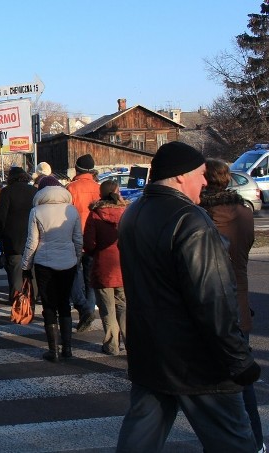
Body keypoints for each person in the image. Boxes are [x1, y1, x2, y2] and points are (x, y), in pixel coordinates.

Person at [116, 142, 260, 452]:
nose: (206, 182)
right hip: (199, 364)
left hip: (151, 356)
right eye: (201, 174)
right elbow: (214, 301)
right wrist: (238, 360)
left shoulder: (133, 212)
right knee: (235, 443)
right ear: (181, 177)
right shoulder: (191, 220)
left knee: (138, 441)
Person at [199, 157, 264, 453]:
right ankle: (256, 440)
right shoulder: (243, 211)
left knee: (208, 379)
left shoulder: (200, 214)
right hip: (239, 298)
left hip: (209, 302)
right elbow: (244, 252)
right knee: (242, 374)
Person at [21, 176, 82, 361]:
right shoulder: (72, 210)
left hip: (44, 263)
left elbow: (32, 242)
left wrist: (26, 266)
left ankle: (53, 350)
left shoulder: (36, 211)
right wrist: (76, 259)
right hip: (68, 262)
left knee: (48, 305)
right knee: (65, 303)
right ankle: (68, 349)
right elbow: (78, 239)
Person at [83, 179, 127, 356]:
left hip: (102, 266)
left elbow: (89, 243)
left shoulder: (95, 215)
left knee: (107, 309)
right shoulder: (126, 213)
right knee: (123, 307)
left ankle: (112, 345)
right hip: (123, 267)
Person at [66, 153, 100, 332]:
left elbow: (66, 214)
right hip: (95, 237)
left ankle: (84, 309)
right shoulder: (99, 188)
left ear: (77, 169)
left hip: (76, 237)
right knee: (90, 276)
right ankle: (90, 308)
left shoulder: (71, 188)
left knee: (74, 273)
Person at [0, 166, 37, 303]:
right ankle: (33, 294)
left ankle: (16, 296)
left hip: (13, 237)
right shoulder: (34, 191)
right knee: (33, 268)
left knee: (15, 268)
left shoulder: (7, 192)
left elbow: (1, 215)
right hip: (32, 234)